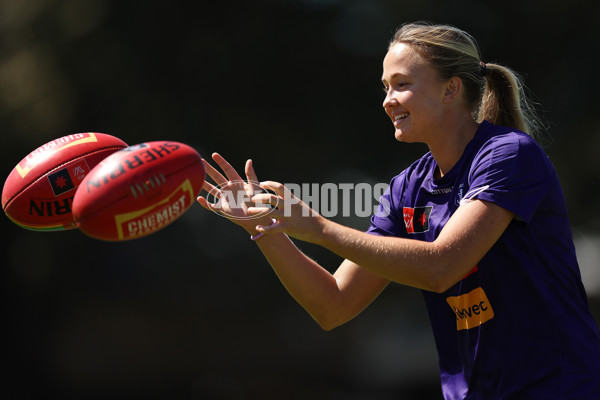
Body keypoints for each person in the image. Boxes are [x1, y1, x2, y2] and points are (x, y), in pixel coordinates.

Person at [197, 22, 600, 399]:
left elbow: (441, 267)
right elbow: (332, 305)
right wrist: (267, 228)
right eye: (385, 87)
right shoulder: (407, 188)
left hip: (557, 388)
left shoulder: (509, 154)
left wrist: (319, 227)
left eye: (401, 85)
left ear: (450, 89)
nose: (388, 100)